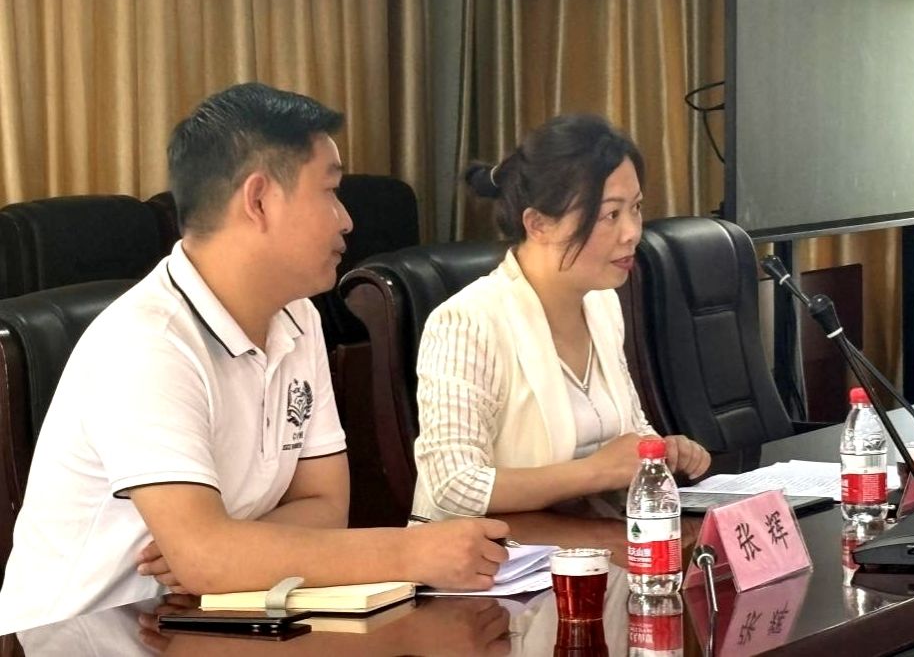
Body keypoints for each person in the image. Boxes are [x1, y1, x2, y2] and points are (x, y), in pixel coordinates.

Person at [0, 83, 507, 634]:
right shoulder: (146, 342)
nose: (346, 220)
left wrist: (231, 550)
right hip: (84, 636)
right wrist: (414, 553)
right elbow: (208, 558)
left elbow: (325, 505)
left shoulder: (297, 315)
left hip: (214, 622)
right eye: (330, 191)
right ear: (259, 200)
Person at [412, 114, 711, 520]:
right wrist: (594, 472)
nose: (632, 232)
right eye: (610, 215)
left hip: (585, 540)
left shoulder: (602, 303)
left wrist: (660, 449)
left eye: (636, 208)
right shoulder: (467, 322)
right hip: (492, 554)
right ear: (538, 224)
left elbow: (626, 431)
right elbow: (453, 485)